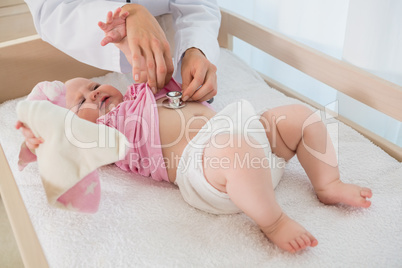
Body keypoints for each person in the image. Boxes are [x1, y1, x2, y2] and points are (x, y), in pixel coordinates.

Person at [15, 9, 373, 253]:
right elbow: (63, 144)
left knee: (299, 116)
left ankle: (328, 183)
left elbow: (144, 66)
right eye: (81, 102)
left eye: (92, 85)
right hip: (207, 169)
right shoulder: (108, 136)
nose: (94, 93)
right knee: (234, 152)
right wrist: (41, 135)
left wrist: (125, 39)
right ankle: (274, 221)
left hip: (242, 132)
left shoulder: (143, 91)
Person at [24, 0, 220, 102]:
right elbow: (51, 11)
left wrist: (196, 47)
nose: (94, 96)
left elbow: (198, 4)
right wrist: (126, 15)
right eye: (83, 100)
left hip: (175, 38)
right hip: (90, 33)